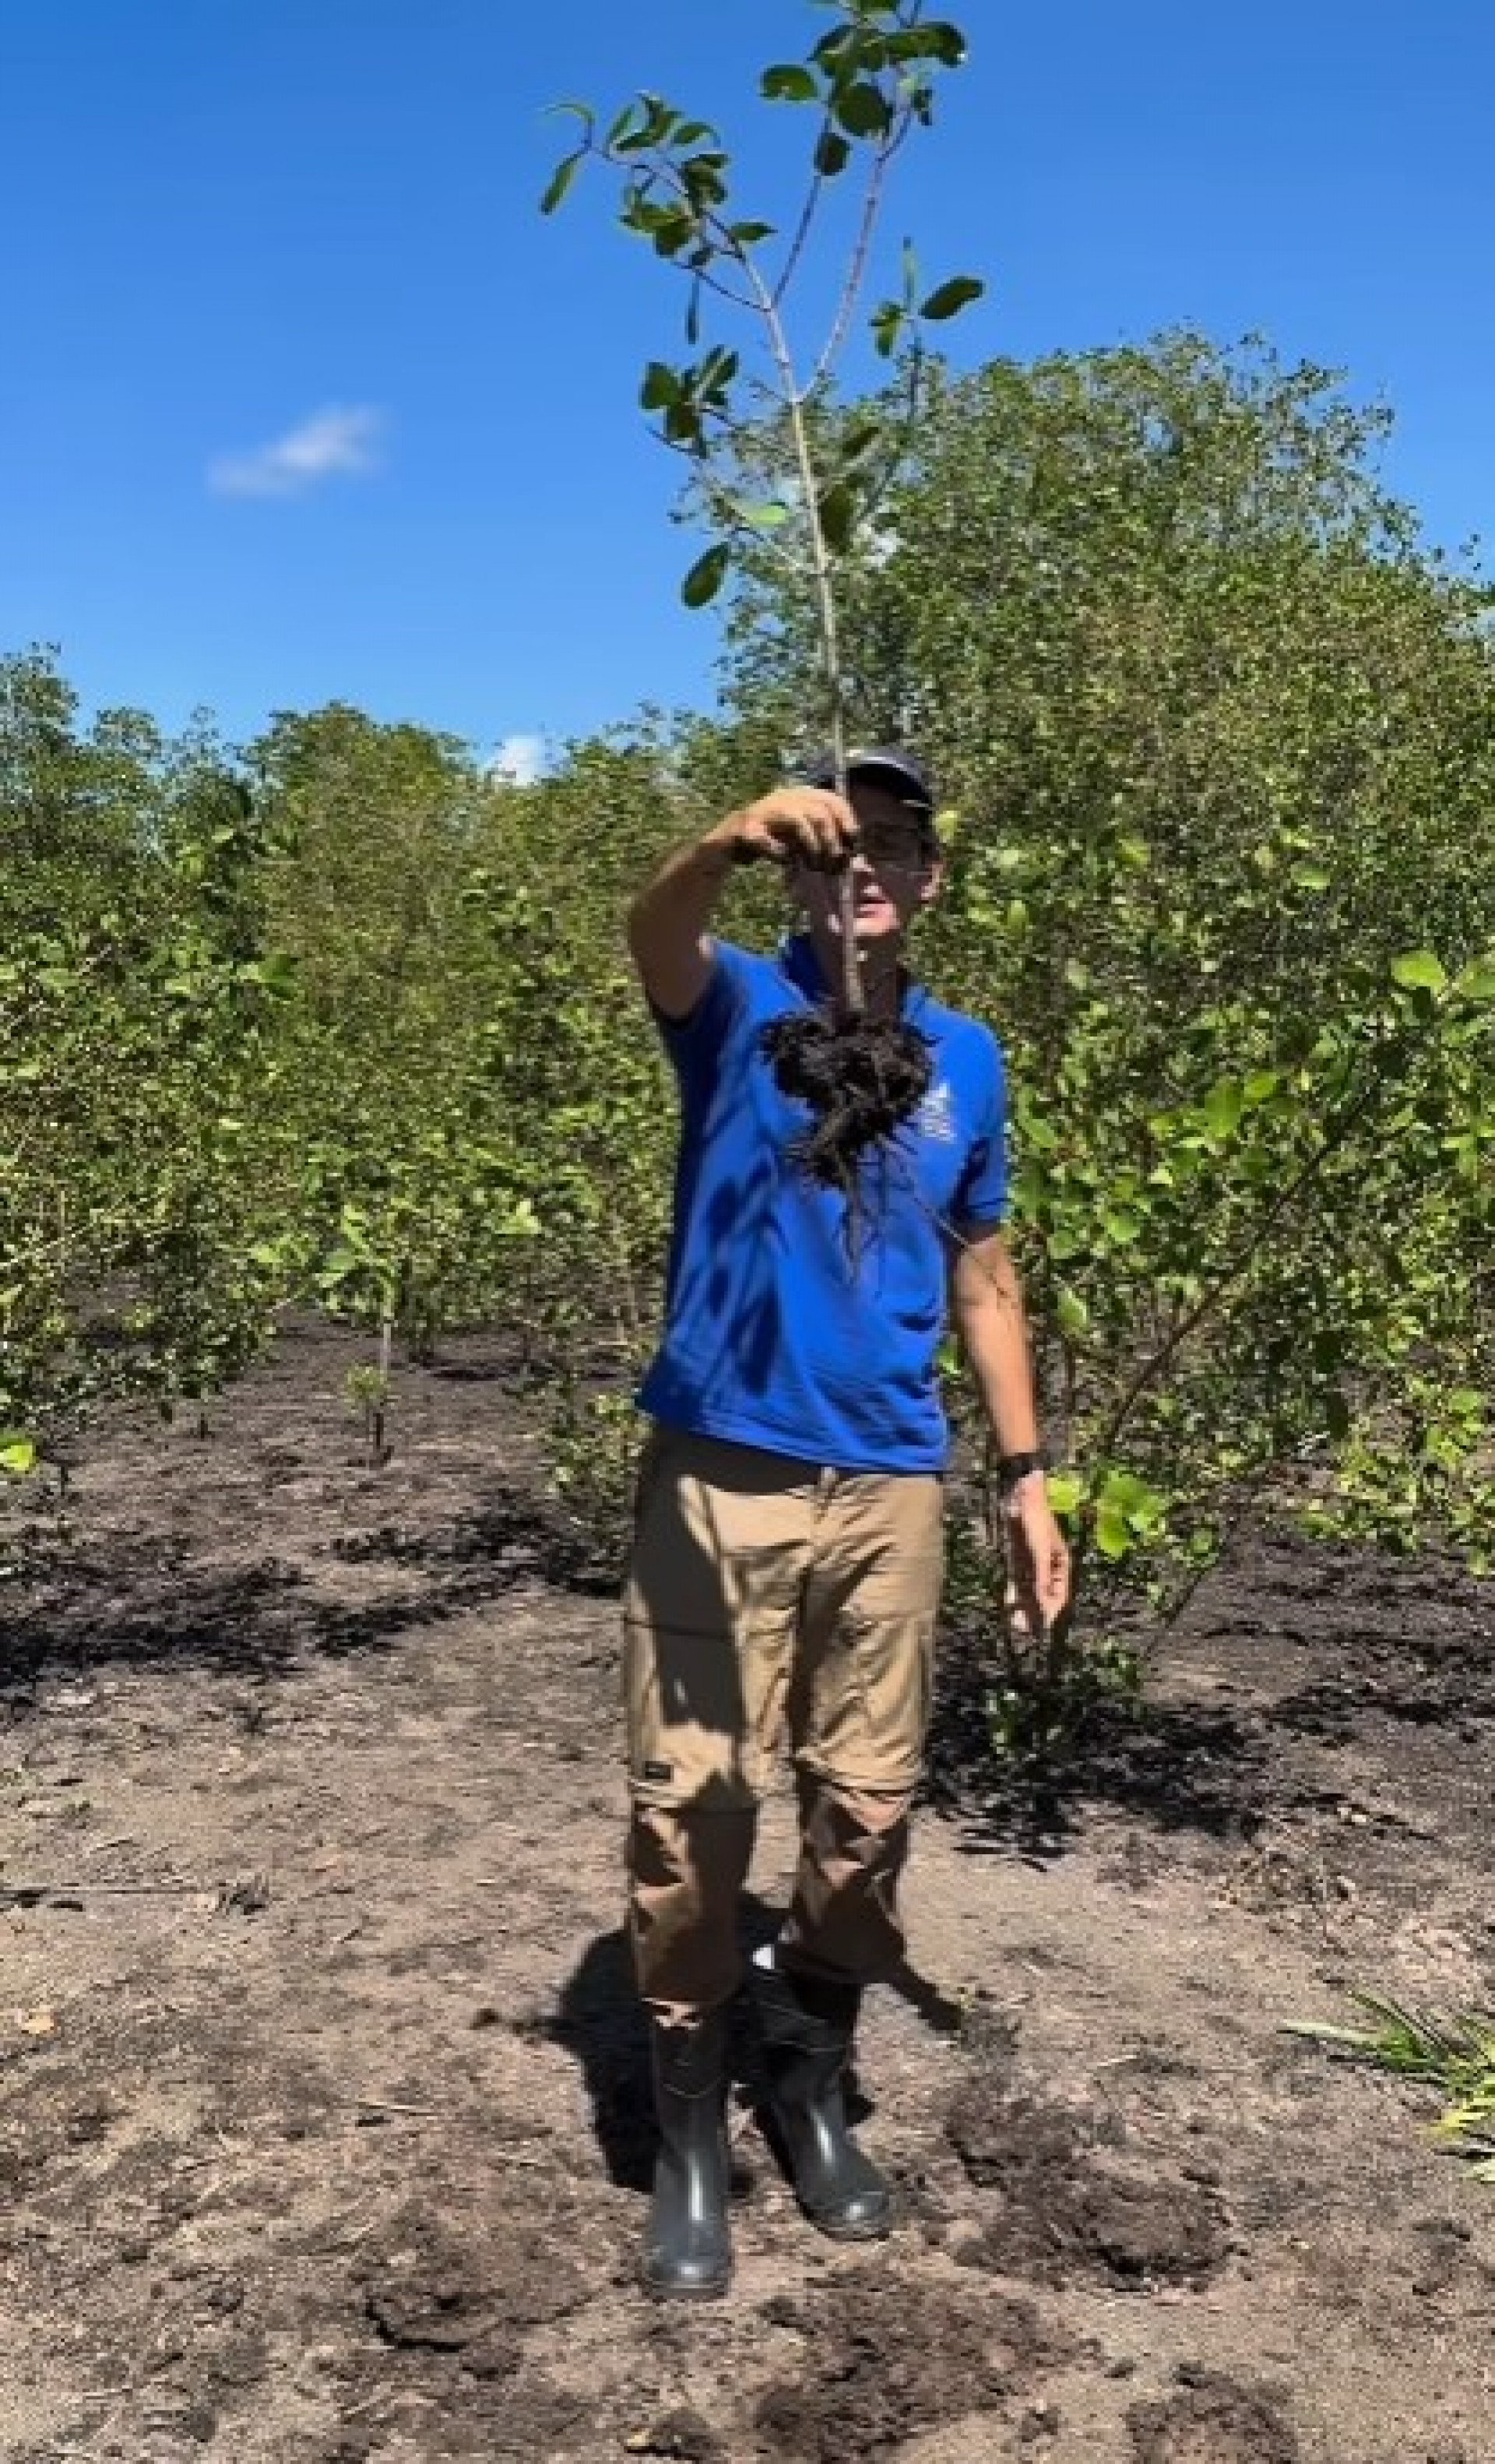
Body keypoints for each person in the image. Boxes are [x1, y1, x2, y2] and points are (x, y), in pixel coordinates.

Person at [621, 747, 1068, 2298]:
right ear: (800, 873)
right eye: (829, 847)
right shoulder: (744, 1005)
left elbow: (985, 1273)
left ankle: (808, 2068)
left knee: (869, 1814)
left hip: (892, 1477)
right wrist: (726, 838)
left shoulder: (969, 1057)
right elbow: (653, 931)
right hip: (720, 1465)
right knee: (695, 1808)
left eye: (888, 845)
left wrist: (1023, 1475)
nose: (859, 867)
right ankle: (686, 2119)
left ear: (930, 876)